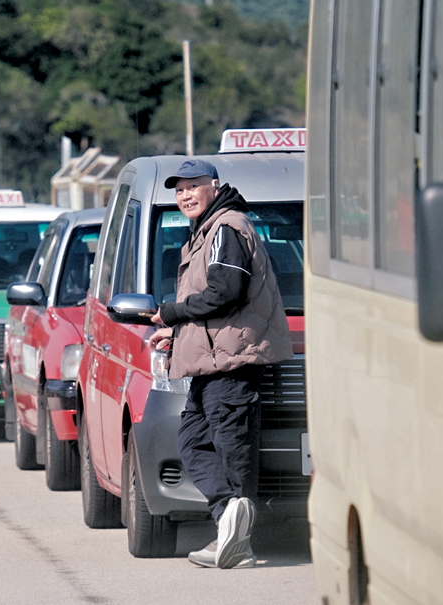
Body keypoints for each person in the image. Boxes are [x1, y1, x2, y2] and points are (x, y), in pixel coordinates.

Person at [147, 159, 293, 570]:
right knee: (193, 443)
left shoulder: (226, 227)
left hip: (232, 366)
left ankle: (237, 542)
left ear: (214, 185)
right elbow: (216, 308)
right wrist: (177, 334)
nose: (185, 196)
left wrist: (171, 312)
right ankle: (230, 520)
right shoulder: (206, 230)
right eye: (179, 190)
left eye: (193, 186)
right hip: (210, 365)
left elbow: (225, 292)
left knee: (232, 453)